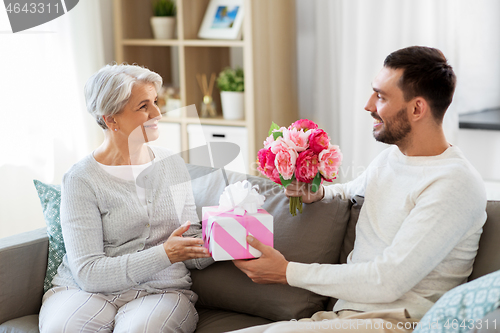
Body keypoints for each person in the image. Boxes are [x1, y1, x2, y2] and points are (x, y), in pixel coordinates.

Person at [232, 46, 487, 332]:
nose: (368, 105)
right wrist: (318, 193)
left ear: (417, 108)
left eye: (381, 96)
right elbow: (352, 190)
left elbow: (387, 280)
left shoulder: (453, 184)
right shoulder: (393, 157)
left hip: (395, 322)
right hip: (346, 318)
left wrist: (285, 271)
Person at [38, 64, 213, 333]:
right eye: (144, 106)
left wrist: (229, 234)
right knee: (63, 328)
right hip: (85, 291)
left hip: (160, 290)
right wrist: (164, 253)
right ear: (111, 119)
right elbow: (88, 272)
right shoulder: (80, 179)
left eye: (155, 102)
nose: (157, 113)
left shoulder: (172, 164)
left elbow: (189, 248)